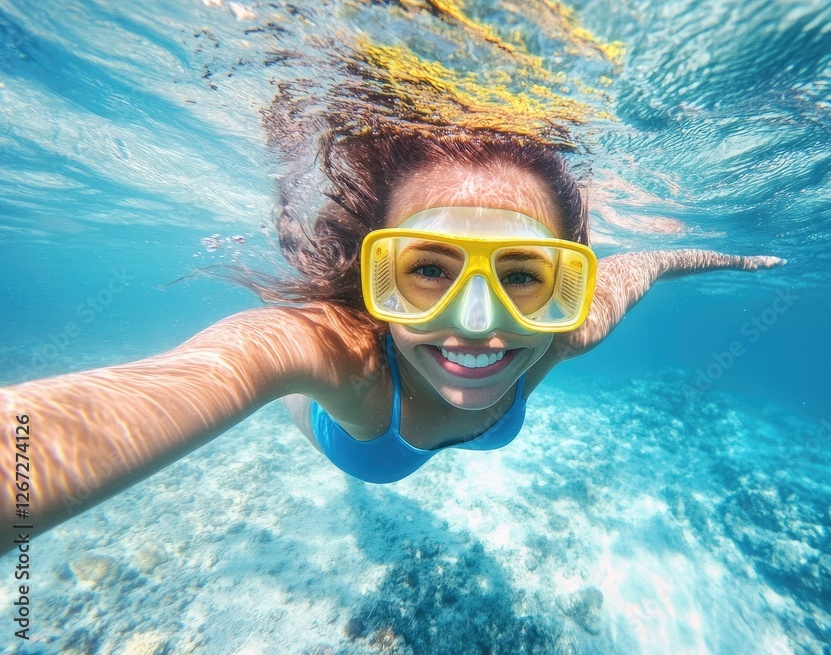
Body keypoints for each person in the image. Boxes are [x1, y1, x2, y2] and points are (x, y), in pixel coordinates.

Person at [0, 130, 784, 554]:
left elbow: (652, 261)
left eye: (522, 274)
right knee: (302, 399)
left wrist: (737, 259)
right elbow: (202, 374)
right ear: (375, 274)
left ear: (565, 282)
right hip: (344, 430)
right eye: (428, 269)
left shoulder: (566, 330)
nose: (478, 322)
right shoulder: (334, 351)